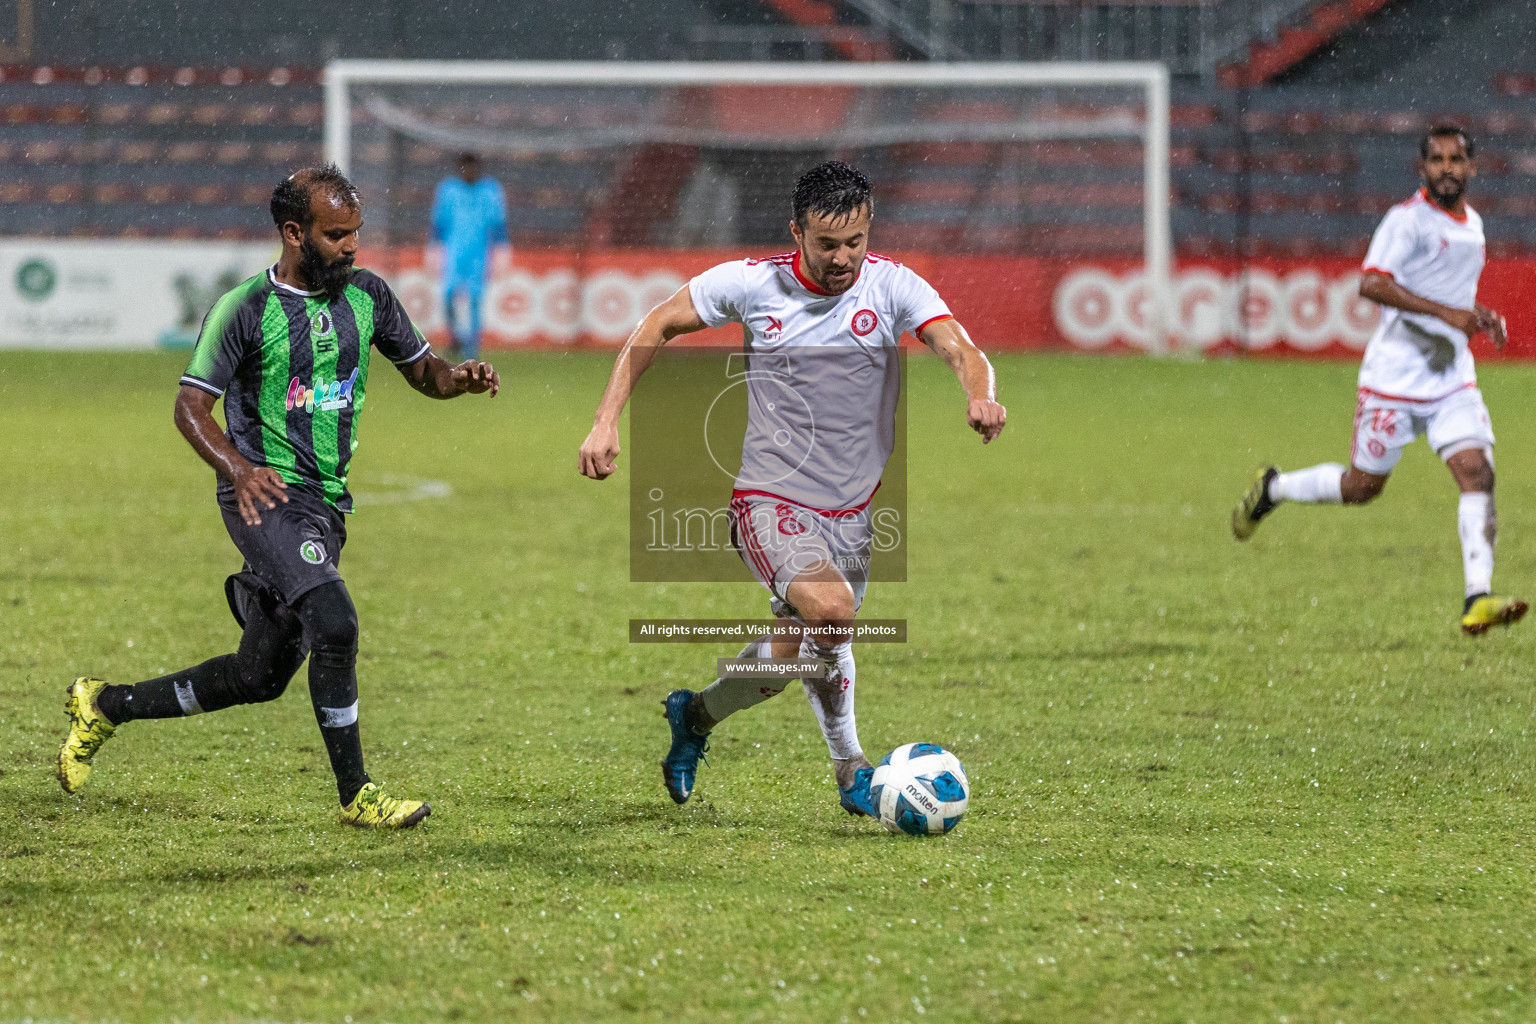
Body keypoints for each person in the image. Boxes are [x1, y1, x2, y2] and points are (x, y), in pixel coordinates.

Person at [56, 164, 501, 827]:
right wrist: (237, 469)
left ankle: (105, 705)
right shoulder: (245, 309)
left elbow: (423, 372)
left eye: (355, 233)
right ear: (294, 233)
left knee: (257, 677)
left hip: (325, 504)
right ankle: (358, 796)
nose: (351, 247)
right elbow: (189, 409)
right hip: (262, 497)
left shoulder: (368, 296)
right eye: (336, 235)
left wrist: (457, 380)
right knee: (337, 621)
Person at [577, 161, 1006, 816]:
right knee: (832, 612)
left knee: (783, 661)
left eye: (855, 243)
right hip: (770, 501)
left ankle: (693, 717)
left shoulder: (893, 286)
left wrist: (980, 395)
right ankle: (850, 769)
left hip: (855, 513)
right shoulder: (753, 284)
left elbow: (959, 347)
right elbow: (655, 326)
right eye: (827, 244)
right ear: (797, 233)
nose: (842, 259)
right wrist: (606, 421)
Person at [1232, 126, 1526, 636]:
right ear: (1423, 168)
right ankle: (1274, 488)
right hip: (1393, 380)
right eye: (1436, 159)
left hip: (1451, 378)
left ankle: (1476, 597)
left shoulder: (1473, 226)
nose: (1447, 168)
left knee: (1477, 473)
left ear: (1472, 167)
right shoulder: (1405, 221)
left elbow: (1449, 296)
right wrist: (1448, 314)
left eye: (1456, 159)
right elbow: (1371, 283)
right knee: (1362, 486)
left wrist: (1476, 317)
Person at [429, 153, 510, 359]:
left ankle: (471, 349)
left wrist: (502, 250)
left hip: (479, 253)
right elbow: (438, 223)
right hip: (453, 251)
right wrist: (433, 248)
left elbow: (499, 224)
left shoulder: (490, 190)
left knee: (475, 299)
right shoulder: (448, 190)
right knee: (448, 296)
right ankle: (456, 337)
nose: (469, 173)